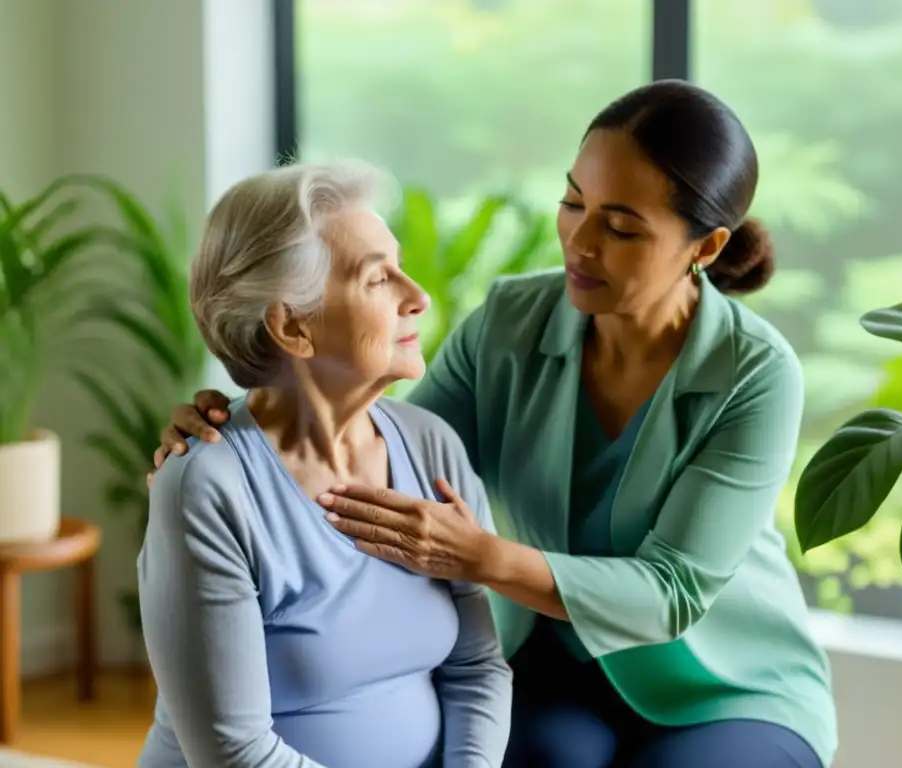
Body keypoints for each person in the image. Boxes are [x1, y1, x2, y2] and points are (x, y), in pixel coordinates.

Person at [153, 80, 837, 768]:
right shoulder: (512, 321)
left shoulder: (756, 373)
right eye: (574, 202)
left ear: (706, 246)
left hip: (720, 684)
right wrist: (236, 420)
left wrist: (478, 556)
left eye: (622, 227)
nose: (579, 241)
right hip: (554, 670)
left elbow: (675, 590)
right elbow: (376, 452)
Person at [139, 161, 512, 768]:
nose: (416, 297)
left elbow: (477, 666)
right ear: (291, 326)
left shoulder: (431, 445)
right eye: (377, 279)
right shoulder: (209, 487)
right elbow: (234, 753)